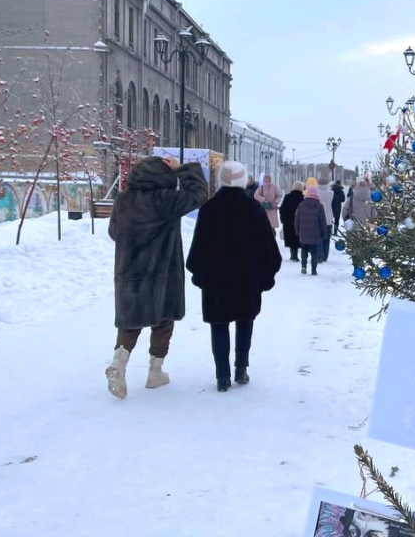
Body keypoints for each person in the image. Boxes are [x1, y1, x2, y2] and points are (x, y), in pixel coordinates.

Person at [105, 155, 208, 400]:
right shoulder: (166, 199)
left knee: (130, 321)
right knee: (163, 320)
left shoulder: (124, 199)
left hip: (130, 272)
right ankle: (155, 371)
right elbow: (199, 195)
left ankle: (119, 362)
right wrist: (184, 169)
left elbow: (113, 232)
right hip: (163, 272)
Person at [186, 161, 282, 392]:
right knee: (244, 321)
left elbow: (197, 248)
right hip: (246, 280)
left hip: (216, 282)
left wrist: (199, 272)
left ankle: (221, 376)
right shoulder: (253, 209)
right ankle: (241, 368)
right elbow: (269, 250)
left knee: (218, 325)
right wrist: (266, 273)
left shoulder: (209, 209)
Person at [296, 186, 327, 275]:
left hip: (303, 232)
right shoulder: (319, 206)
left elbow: (297, 219)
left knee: (304, 250)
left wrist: (297, 230)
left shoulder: (301, 205)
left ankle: (303, 266)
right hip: (315, 233)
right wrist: (324, 233)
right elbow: (322, 221)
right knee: (314, 252)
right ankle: (314, 269)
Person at [279, 181, 305, 261]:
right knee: (297, 238)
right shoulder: (302, 198)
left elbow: (282, 209)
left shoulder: (287, 197)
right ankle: (295, 255)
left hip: (288, 221)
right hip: (299, 221)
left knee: (291, 238)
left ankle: (293, 254)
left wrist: (283, 219)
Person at [316, 177, 335, 262]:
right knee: (327, 238)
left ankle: (319, 254)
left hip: (318, 217)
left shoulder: (316, 192)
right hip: (328, 217)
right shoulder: (331, 193)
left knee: (319, 237)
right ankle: (325, 256)